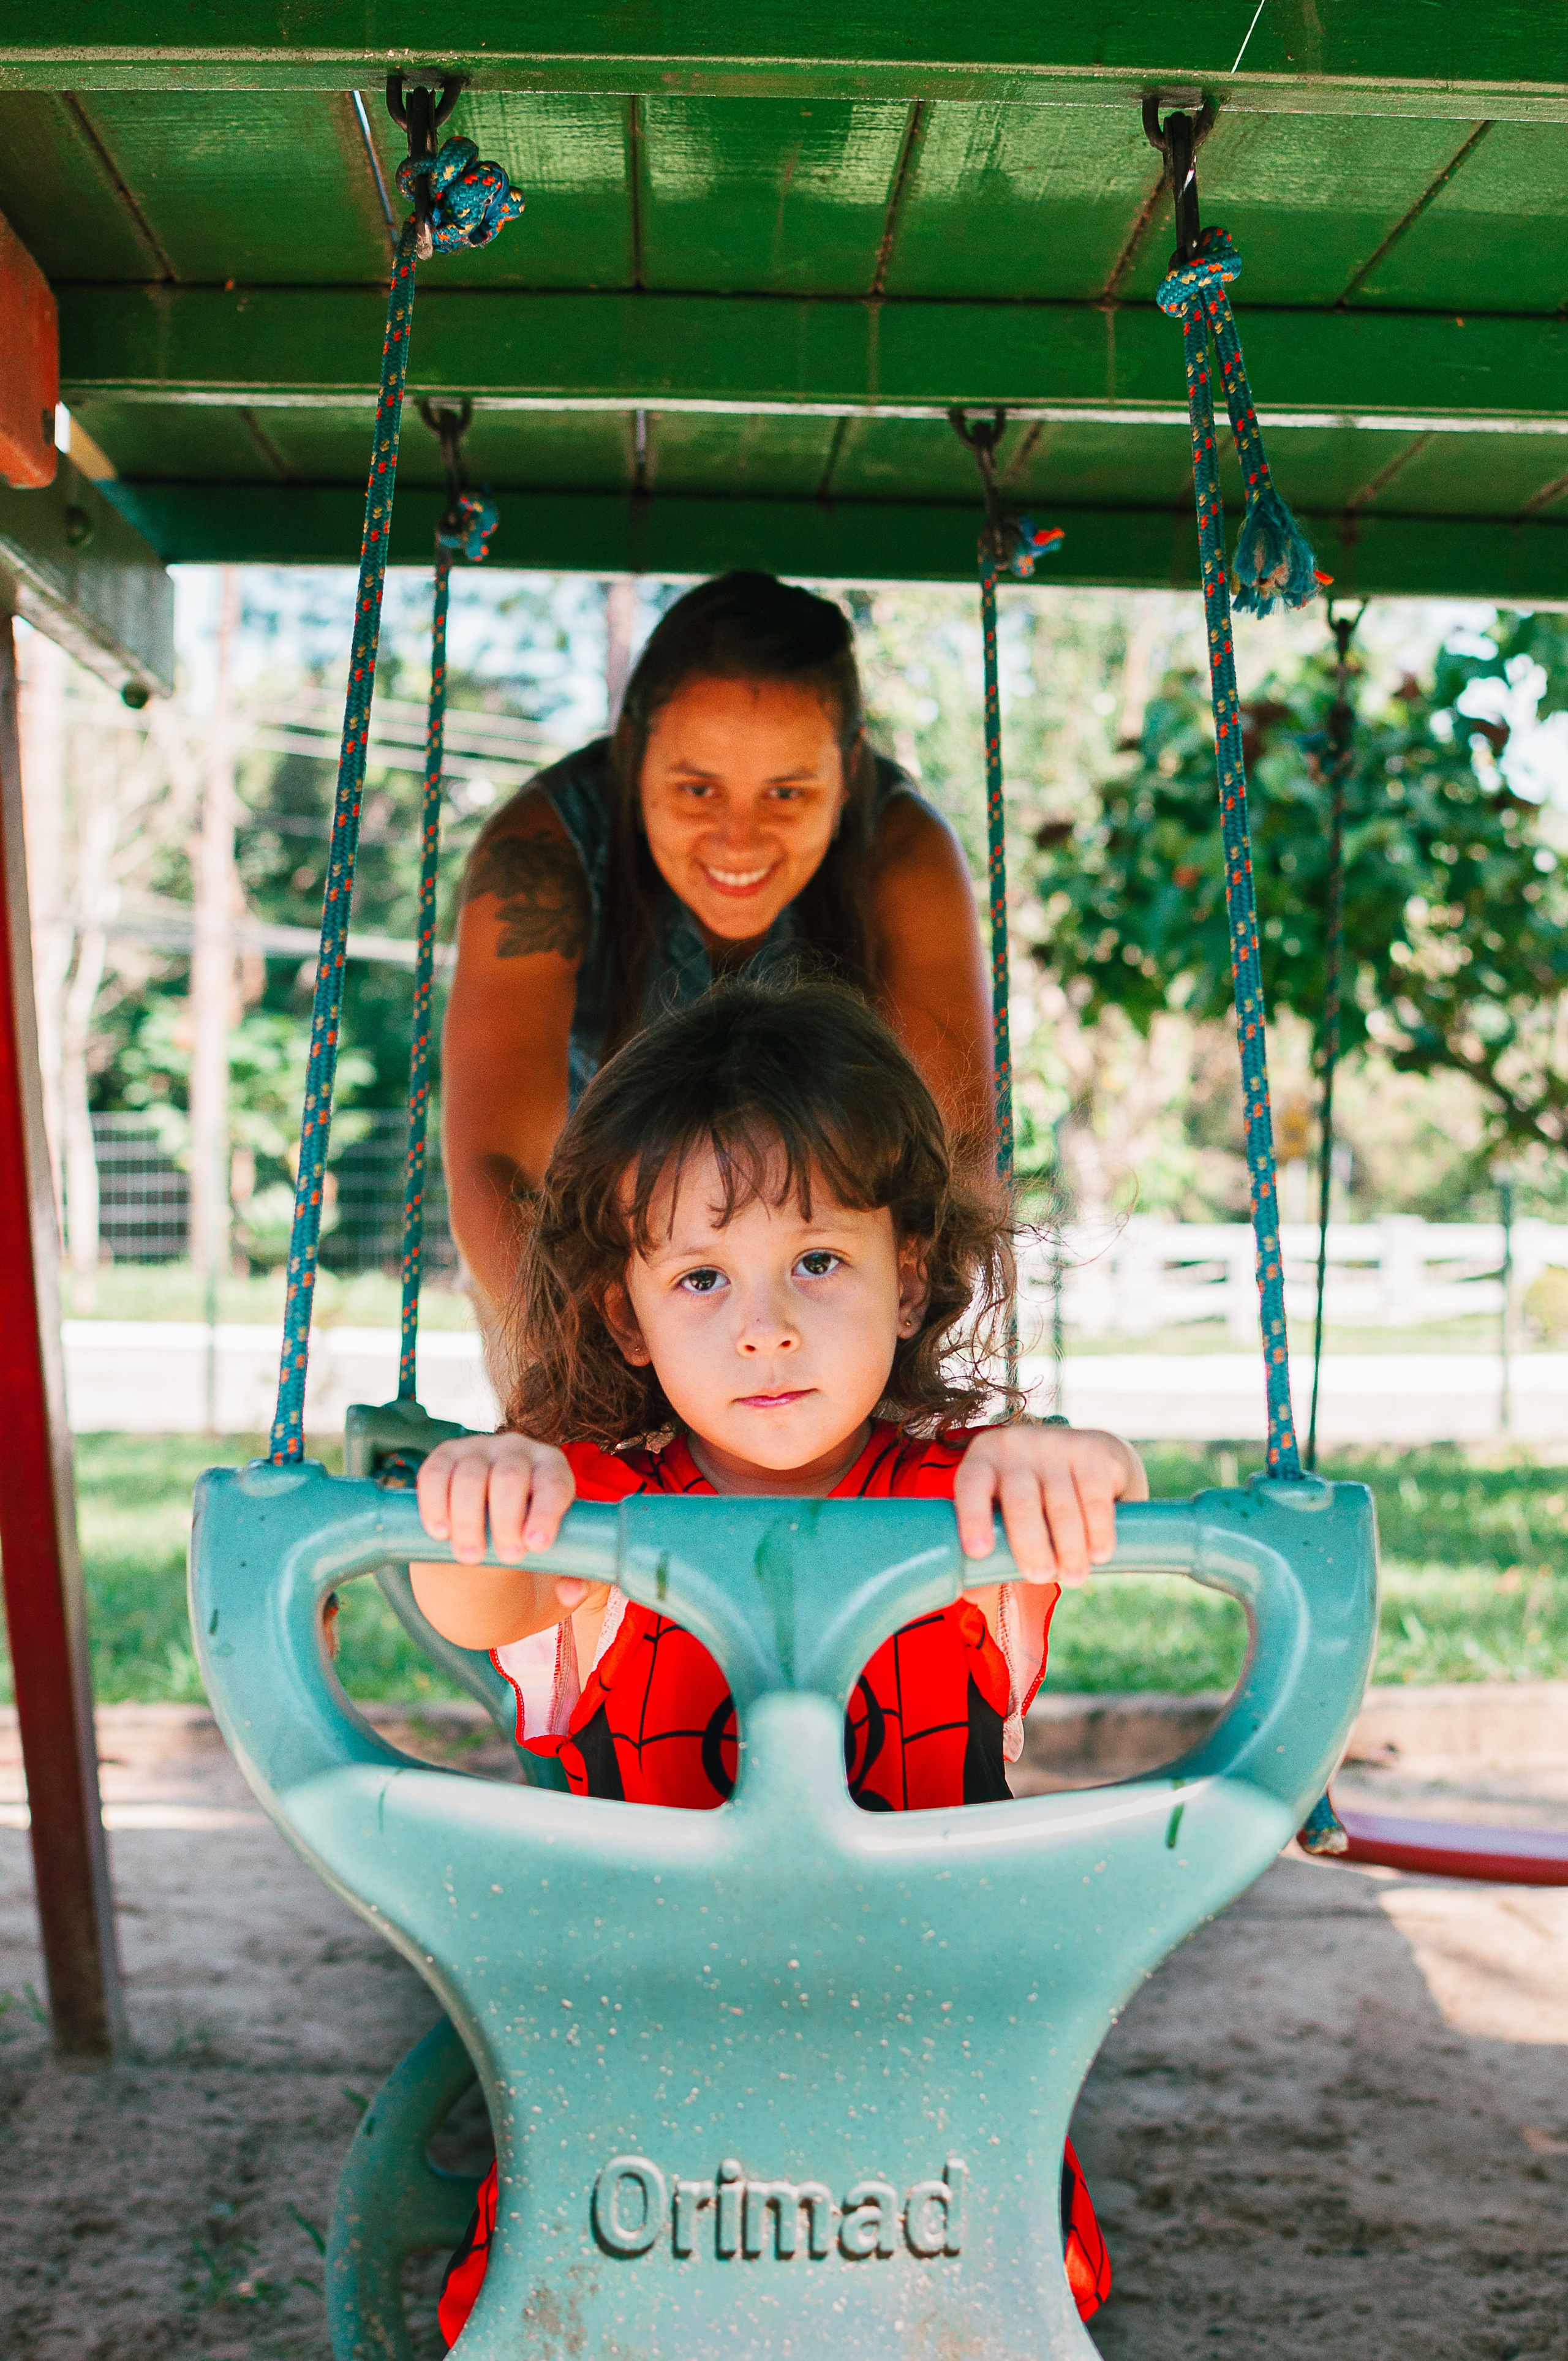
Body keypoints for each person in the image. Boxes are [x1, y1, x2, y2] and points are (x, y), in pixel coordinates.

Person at [412, 976, 1146, 2343]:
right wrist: (486, 1486)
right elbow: (469, 1599)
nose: (764, 1324)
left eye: (817, 1259)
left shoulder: (971, 1507)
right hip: (644, 2091)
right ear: (627, 1319)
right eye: (700, 1276)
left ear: (907, 1271)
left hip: (925, 2090)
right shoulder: (588, 1518)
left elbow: (1089, 1506)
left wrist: (1072, 1462)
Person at [441, 571, 994, 1317]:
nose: (739, 840)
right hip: (591, 1270)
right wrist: (571, 1374)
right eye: (698, 790)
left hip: (818, 1278)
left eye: (786, 793)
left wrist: (898, 1357)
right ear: (633, 751)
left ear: (849, 765)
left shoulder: (904, 852)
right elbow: (496, 1167)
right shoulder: (542, 852)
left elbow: (954, 1160)